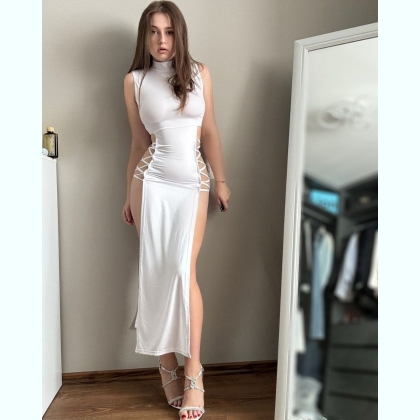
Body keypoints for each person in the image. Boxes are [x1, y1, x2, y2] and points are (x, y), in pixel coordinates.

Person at [121, 2, 231, 419]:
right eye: (153, 31)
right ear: (144, 36)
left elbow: (210, 130)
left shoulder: (200, 73)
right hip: (149, 183)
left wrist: (221, 180)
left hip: (192, 183)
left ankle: (193, 372)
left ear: (179, 34)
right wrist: (127, 195)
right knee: (155, 272)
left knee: (183, 272)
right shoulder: (134, 81)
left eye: (168, 31)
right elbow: (138, 143)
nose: (161, 40)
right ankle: (165, 364)